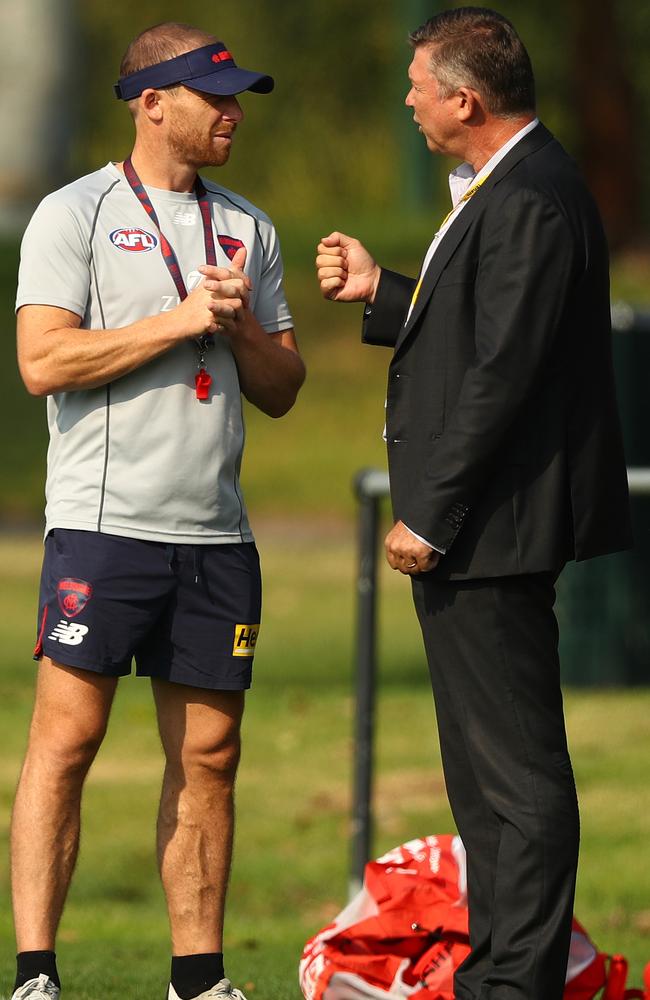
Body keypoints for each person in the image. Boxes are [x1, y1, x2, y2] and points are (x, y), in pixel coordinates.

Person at [316, 8, 631, 1000]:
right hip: (475, 528)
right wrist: (383, 294)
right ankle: (497, 966)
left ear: (465, 98)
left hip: (489, 529)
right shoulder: (504, 188)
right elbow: (479, 328)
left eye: (419, 86)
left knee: (517, 775)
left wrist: (429, 511)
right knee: (479, 773)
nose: (407, 101)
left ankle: (518, 980)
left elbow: (503, 372)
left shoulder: (531, 195)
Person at [12, 21, 305, 1000]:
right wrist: (177, 321)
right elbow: (44, 360)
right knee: (68, 739)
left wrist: (239, 329)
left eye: (235, 98)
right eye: (210, 96)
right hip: (103, 523)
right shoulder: (75, 213)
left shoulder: (249, 227)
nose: (230, 114)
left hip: (216, 536)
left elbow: (283, 385)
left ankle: (198, 978)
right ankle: (38, 971)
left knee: (211, 756)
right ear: (150, 103)